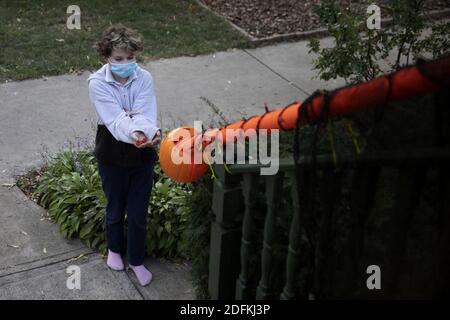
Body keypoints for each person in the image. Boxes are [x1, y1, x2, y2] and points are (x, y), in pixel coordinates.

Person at [87, 24, 161, 286]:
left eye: (130, 58)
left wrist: (149, 132)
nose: (126, 63)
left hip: (142, 154)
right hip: (112, 151)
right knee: (116, 208)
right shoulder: (97, 83)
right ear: (106, 57)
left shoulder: (144, 78)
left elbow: (145, 111)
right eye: (119, 59)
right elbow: (115, 120)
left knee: (139, 212)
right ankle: (114, 250)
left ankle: (137, 260)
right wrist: (137, 132)